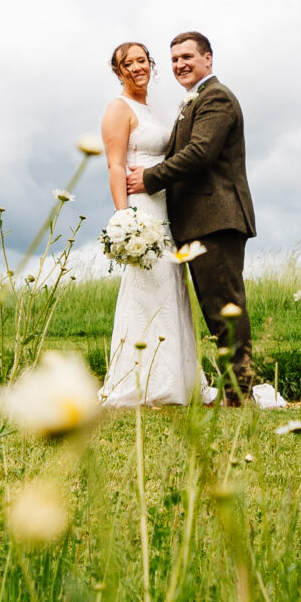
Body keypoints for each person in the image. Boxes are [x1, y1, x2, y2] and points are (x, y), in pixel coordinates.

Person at [127, 31, 274, 406]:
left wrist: (148, 178)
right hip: (199, 220)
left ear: (208, 58)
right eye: (174, 59)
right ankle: (233, 392)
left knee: (225, 306)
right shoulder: (194, 100)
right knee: (215, 310)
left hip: (217, 217)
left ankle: (238, 395)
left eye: (188, 56)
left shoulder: (217, 97)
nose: (180, 64)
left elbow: (199, 152)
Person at [97, 41, 198, 407]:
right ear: (118, 70)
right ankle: (139, 380)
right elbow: (115, 165)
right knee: (146, 287)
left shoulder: (153, 108)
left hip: (166, 207)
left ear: (150, 65)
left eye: (142, 60)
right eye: (129, 63)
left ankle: (174, 380)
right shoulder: (117, 109)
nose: (137, 67)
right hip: (142, 207)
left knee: (170, 286)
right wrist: (124, 216)